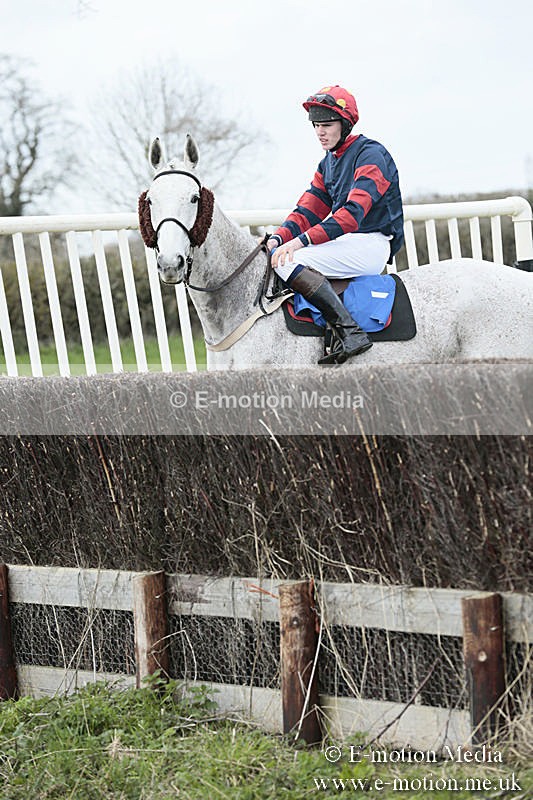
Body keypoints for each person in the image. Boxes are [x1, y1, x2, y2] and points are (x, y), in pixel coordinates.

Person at [268, 85, 404, 364]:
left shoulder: (371, 155)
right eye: (316, 125)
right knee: (279, 253)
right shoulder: (327, 164)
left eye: (327, 125)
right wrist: (278, 238)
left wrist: (298, 243)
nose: (320, 132)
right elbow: (307, 210)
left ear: (345, 124)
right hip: (350, 242)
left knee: (285, 262)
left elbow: (352, 214)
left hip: (372, 243)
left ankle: (351, 333)